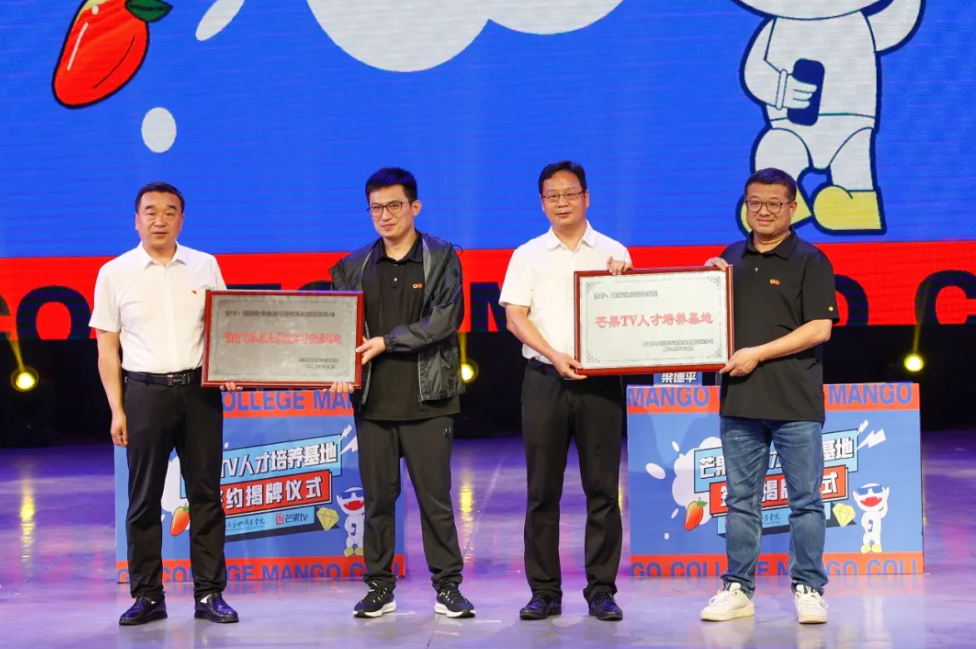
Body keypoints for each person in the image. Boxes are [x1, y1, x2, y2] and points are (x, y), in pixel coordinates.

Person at [90, 182, 241, 626]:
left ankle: (209, 593)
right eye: (151, 212)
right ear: (136, 220)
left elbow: (225, 328)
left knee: (206, 496)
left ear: (181, 219)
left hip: (199, 394)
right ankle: (148, 596)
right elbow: (106, 350)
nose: (160, 220)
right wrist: (117, 409)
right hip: (144, 394)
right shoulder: (114, 273)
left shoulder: (204, 265)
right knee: (143, 500)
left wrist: (231, 367)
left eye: (169, 212)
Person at [328, 167, 474, 619]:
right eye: (376, 207)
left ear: (415, 206)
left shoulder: (442, 258)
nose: (385, 215)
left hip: (429, 400)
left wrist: (386, 342)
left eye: (394, 205)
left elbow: (445, 320)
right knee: (377, 501)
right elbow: (338, 331)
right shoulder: (353, 266)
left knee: (436, 501)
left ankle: (448, 588)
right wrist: (338, 365)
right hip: (373, 404)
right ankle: (379, 587)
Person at [699, 168, 839, 625]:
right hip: (740, 401)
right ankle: (738, 588)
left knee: (806, 501)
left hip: (795, 402)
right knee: (741, 501)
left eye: (774, 203)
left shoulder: (811, 260)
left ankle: (809, 587)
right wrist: (704, 285)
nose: (763, 211)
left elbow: (819, 328)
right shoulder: (729, 257)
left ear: (792, 208)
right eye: (754, 202)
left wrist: (757, 354)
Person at [499, 161, 632, 622]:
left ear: (586, 197)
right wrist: (555, 355)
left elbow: (634, 314)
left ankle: (602, 591)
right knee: (542, 491)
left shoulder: (614, 252)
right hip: (545, 379)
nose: (562, 203)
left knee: (603, 490)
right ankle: (544, 592)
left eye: (570, 194)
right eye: (552, 196)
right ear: (542, 203)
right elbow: (515, 317)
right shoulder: (528, 255)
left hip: (600, 384)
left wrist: (627, 281)